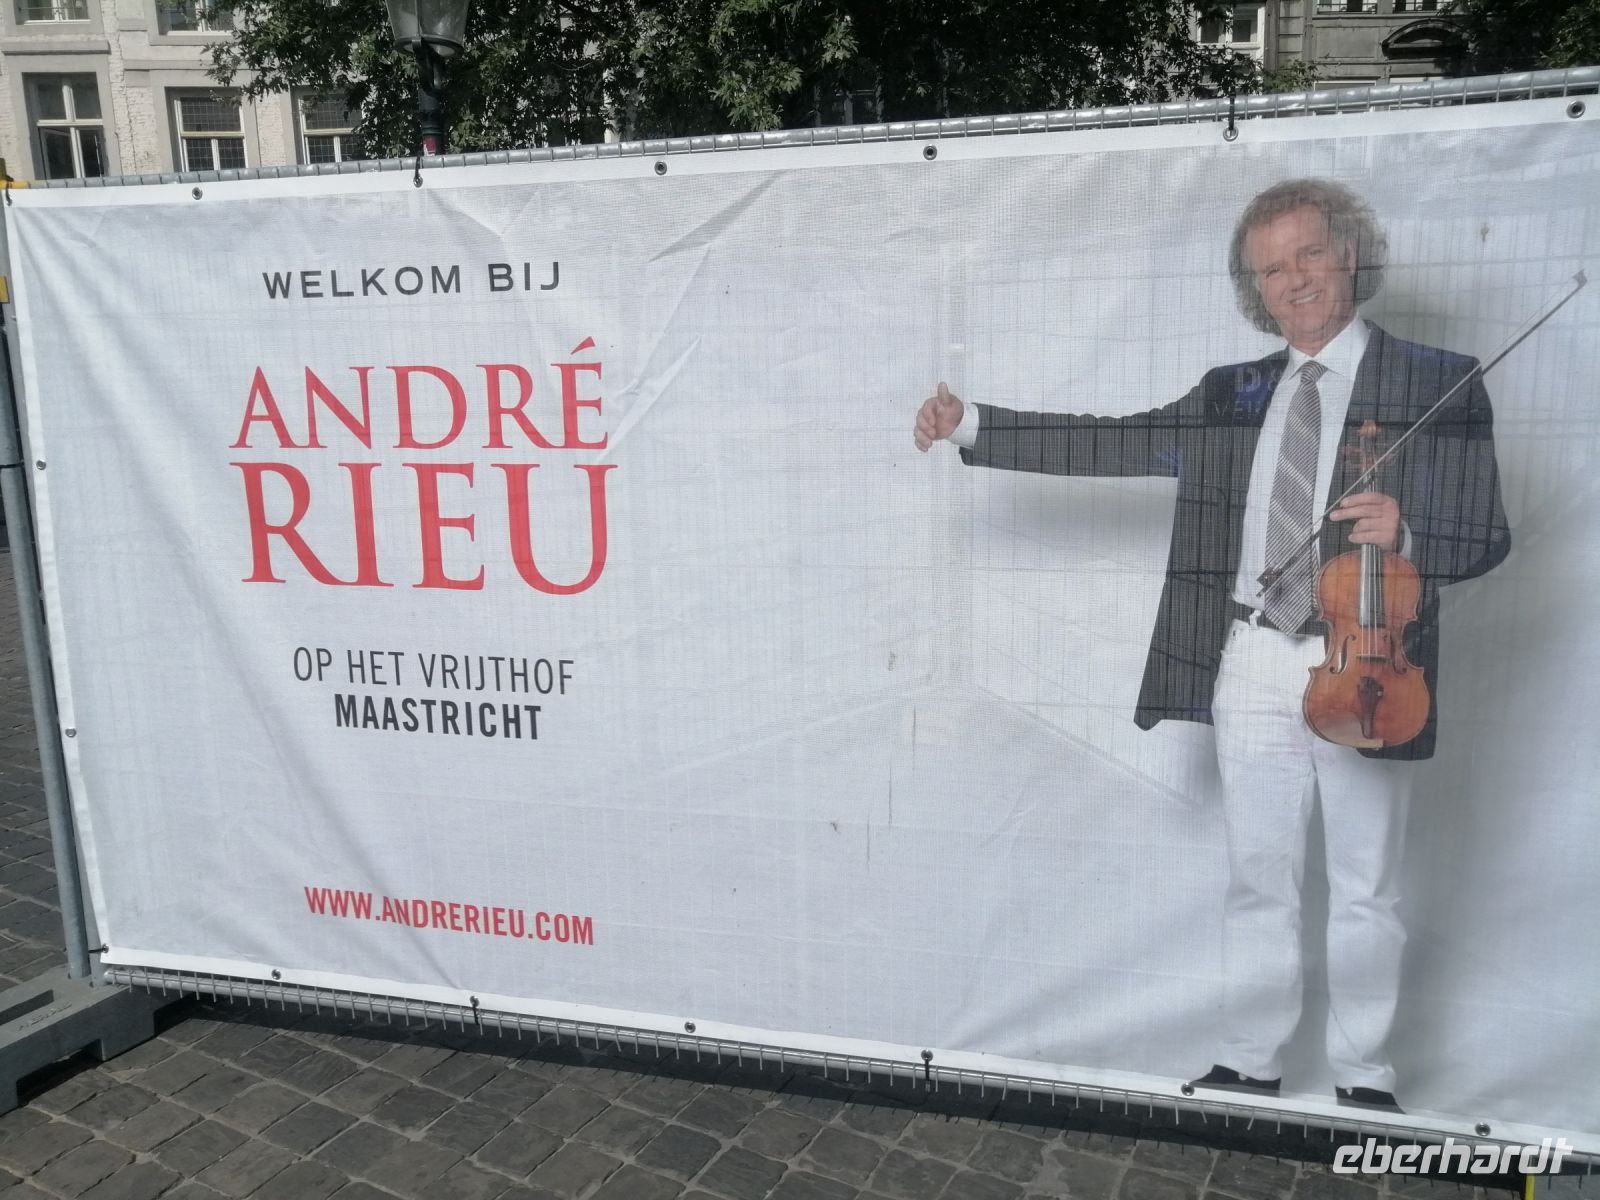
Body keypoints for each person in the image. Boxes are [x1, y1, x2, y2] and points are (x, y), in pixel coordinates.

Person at [913, 178, 1509, 1112]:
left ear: (1350, 252)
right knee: (1259, 877)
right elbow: (1117, 444)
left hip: (1365, 662)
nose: (1296, 279)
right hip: (1252, 659)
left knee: (1365, 884)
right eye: (1273, 269)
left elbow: (1486, 534)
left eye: (1310, 253)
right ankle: (1253, 1063)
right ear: (1257, 291)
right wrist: (975, 425)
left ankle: (1365, 1079)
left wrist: (1412, 528)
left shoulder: (1437, 381)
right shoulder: (1235, 392)